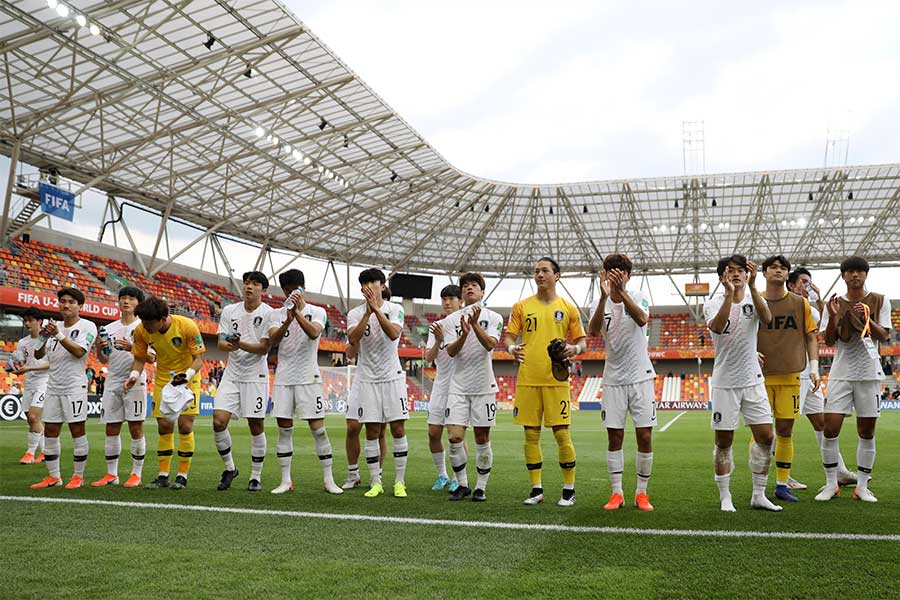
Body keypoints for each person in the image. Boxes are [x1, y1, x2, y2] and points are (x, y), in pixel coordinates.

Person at [503, 257, 586, 507]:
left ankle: (568, 490)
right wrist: (511, 349)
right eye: (536, 270)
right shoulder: (521, 306)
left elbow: (582, 342)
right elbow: (508, 338)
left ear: (556, 275)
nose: (539, 274)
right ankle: (536, 489)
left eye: (545, 270)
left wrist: (574, 349)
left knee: (562, 435)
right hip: (528, 379)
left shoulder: (568, 308)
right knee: (530, 436)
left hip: (556, 380)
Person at [704, 255, 781, 512]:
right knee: (724, 441)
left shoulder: (753, 298)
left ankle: (758, 494)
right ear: (721, 277)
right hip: (725, 382)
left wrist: (752, 287)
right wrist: (728, 295)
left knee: (766, 436)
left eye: (740, 270)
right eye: (730, 271)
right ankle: (725, 496)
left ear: (747, 275)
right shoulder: (713, 302)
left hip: (752, 380)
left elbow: (767, 318)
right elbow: (717, 327)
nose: (736, 274)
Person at [815, 256, 892, 502]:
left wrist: (867, 318)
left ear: (866, 274)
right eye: (850, 271)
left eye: (859, 271)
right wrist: (834, 316)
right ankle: (831, 484)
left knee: (866, 431)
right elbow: (827, 340)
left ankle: (861, 486)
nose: (855, 275)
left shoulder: (880, 300)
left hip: (869, 373)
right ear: (843, 275)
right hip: (841, 373)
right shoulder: (834, 303)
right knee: (830, 428)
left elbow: (884, 336)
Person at [588, 254, 657, 512]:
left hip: (641, 376)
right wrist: (605, 297)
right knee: (614, 436)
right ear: (603, 274)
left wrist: (621, 292)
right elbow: (594, 331)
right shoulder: (598, 301)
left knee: (645, 435)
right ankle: (616, 492)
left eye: (621, 271)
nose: (615, 275)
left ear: (628, 275)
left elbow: (641, 319)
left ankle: (642, 493)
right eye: (610, 271)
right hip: (614, 379)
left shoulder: (638, 296)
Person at [264, 269, 342, 495]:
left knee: (318, 430)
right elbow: (273, 340)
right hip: (284, 379)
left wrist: (297, 314)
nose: (290, 294)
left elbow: (314, 333)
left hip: (309, 378)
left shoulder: (317, 311)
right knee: (284, 430)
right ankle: (286, 480)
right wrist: (287, 320)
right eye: (287, 291)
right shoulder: (275, 315)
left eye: (294, 290)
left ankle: (328, 480)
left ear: (302, 288)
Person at [756, 256, 819, 503]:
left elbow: (811, 335)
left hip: (792, 373)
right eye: (773, 267)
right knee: (761, 433)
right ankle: (757, 486)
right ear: (764, 272)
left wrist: (814, 366)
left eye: (783, 268)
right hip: (760, 376)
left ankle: (782, 484)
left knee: (785, 430)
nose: (779, 271)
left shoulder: (799, 304)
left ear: (787, 274)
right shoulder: (755, 300)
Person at [127, 296, 206, 490]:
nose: (145, 327)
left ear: (163, 318)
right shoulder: (141, 330)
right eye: (143, 322)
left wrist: (185, 376)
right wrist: (134, 375)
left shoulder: (187, 326)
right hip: (164, 380)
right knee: (164, 426)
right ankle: (162, 476)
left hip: (189, 377)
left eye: (149, 323)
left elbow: (199, 360)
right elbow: (139, 357)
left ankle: (182, 476)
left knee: (185, 426)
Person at [786, 268, 855, 488]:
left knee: (822, 423)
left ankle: (840, 471)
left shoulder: (811, 311)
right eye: (803, 282)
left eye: (809, 282)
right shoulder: (782, 306)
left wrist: (821, 301)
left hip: (809, 373)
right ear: (791, 285)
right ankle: (782, 477)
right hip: (789, 373)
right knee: (784, 426)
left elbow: (824, 333)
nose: (807, 286)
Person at [344, 268, 409, 498]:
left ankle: (399, 482)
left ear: (382, 285)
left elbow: (393, 334)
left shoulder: (395, 309)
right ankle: (375, 481)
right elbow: (353, 339)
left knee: (398, 429)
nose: (370, 286)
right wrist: (367, 314)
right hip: (367, 378)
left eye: (374, 282)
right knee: (371, 430)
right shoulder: (354, 313)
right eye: (365, 283)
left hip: (392, 377)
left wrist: (377, 311)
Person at [444, 273, 503, 502]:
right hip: (458, 386)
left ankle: (481, 487)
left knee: (481, 438)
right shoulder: (451, 320)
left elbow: (490, 345)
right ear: (462, 293)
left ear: (482, 291)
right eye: (465, 286)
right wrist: (463, 335)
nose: (469, 288)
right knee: (455, 438)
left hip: (483, 387)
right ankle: (462, 484)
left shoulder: (494, 317)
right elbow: (450, 351)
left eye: (474, 285)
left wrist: (475, 325)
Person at [31, 288, 98, 489]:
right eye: (62, 301)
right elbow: (37, 354)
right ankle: (54, 477)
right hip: (53, 386)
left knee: (77, 429)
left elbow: (79, 352)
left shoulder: (88, 326)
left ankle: (78, 476)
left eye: (71, 302)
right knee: (50, 430)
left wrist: (58, 334)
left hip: (74, 386)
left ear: (80, 306)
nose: (66, 305)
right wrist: (43, 338)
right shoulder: (53, 326)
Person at [213, 271, 274, 492]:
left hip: (255, 375)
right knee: (219, 421)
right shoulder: (230, 310)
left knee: (256, 425)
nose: (249, 287)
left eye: (255, 284)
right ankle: (230, 468)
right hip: (232, 373)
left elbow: (264, 348)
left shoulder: (269, 313)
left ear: (263, 291)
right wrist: (227, 345)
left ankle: (255, 476)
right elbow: (220, 342)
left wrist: (240, 345)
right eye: (247, 283)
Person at [91, 287, 148, 488]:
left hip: (136, 380)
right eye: (122, 297)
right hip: (113, 380)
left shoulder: (144, 326)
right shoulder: (109, 328)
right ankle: (111, 474)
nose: (125, 301)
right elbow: (104, 359)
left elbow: (151, 357)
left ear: (138, 303)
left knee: (135, 427)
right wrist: (100, 348)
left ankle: (136, 473)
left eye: (131, 298)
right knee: (111, 427)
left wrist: (131, 348)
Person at [425, 284, 463, 492]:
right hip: (440, 385)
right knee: (433, 432)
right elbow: (428, 359)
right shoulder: (436, 326)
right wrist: (438, 340)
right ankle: (442, 475)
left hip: (459, 385)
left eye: (451, 298)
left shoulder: (466, 324)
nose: (447, 303)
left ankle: (460, 477)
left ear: (460, 301)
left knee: (456, 434)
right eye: (444, 299)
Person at [12, 308, 49, 464]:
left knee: (34, 416)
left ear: (39, 321)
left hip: (45, 381)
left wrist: (30, 368)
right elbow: (21, 361)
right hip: (29, 382)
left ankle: (30, 453)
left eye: (30, 320)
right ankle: (46, 452)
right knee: (31, 420)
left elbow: (51, 364)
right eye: (25, 320)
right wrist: (16, 368)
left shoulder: (49, 339)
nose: (27, 323)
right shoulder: (23, 342)